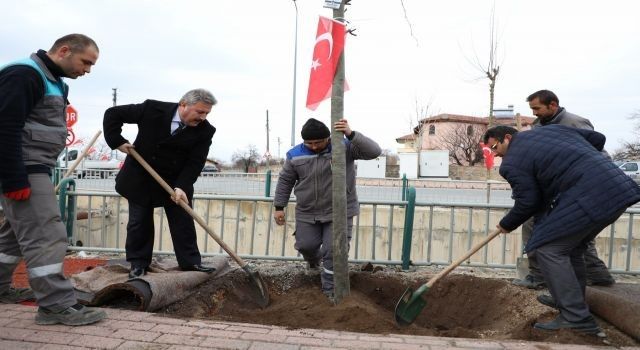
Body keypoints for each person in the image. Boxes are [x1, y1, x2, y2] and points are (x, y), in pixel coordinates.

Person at [484, 125, 640, 334]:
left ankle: (576, 317)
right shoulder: (554, 130)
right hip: (618, 190)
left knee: (548, 249)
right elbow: (598, 138)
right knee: (571, 248)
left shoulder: (511, 163)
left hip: (588, 196)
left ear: (507, 137)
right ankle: (570, 300)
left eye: (494, 147)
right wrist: (578, 161)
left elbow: (528, 201)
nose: (495, 154)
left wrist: (506, 224)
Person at [0, 34, 106, 325]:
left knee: (12, 238)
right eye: (86, 62)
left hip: (32, 167)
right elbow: (5, 127)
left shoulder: (51, 79)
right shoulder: (24, 74)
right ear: (63, 50)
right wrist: (13, 179)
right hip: (24, 170)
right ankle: (55, 305)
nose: (87, 70)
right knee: (47, 235)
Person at [103, 89, 217, 279]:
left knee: (183, 221)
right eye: (199, 112)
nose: (203, 117)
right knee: (139, 222)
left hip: (175, 181)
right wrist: (117, 141)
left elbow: (195, 162)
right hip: (141, 176)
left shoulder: (205, 131)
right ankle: (138, 264)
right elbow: (113, 114)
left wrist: (182, 186)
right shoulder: (152, 109)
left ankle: (190, 262)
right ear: (183, 104)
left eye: (207, 113)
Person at [512, 89, 615, 289]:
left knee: (571, 232)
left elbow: (594, 155)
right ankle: (544, 274)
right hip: (554, 186)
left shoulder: (575, 123)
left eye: (537, 108)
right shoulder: (538, 126)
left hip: (578, 186)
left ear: (553, 105)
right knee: (538, 225)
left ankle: (588, 273)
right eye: (532, 109)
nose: (534, 113)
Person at [273, 118, 381, 300]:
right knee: (305, 246)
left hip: (339, 211)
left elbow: (374, 151)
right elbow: (285, 181)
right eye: (310, 143)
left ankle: (331, 291)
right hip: (307, 211)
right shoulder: (294, 155)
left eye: (319, 142)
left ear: (328, 138)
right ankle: (314, 263)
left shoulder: (343, 147)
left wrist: (351, 133)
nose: (314, 147)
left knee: (334, 250)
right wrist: (279, 206)